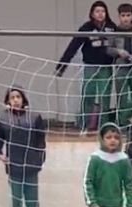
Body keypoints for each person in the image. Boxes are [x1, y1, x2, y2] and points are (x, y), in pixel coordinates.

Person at [55, 1, 122, 131]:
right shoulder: (86, 27)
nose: (100, 14)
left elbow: (120, 45)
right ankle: (83, 126)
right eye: (97, 11)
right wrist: (61, 66)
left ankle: (104, 127)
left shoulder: (112, 27)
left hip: (106, 68)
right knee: (88, 96)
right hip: (90, 67)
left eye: (103, 11)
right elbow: (73, 46)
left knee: (105, 97)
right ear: (92, 13)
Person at [0, 86, 46, 207]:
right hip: (14, 165)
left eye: (18, 97)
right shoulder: (2, 117)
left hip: (31, 165)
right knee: (16, 202)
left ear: (23, 99)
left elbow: (40, 140)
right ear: (7, 100)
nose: (15, 100)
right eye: (12, 97)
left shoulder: (35, 117)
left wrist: (39, 160)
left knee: (32, 201)